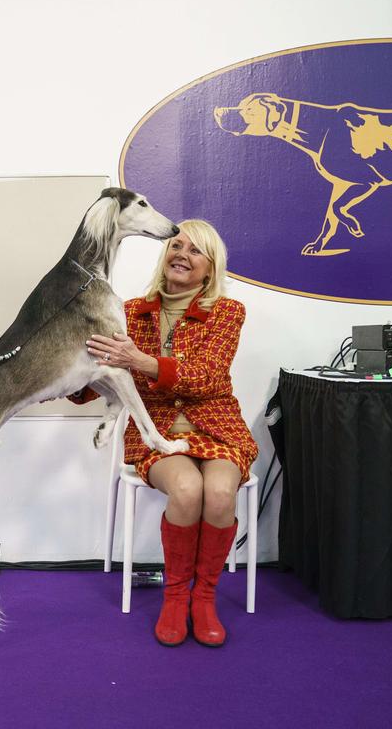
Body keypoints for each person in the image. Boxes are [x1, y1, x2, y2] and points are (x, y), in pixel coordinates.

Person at [76, 219, 257, 648]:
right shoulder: (131, 311)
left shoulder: (228, 311)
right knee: (187, 490)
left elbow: (208, 377)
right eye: (177, 245)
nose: (182, 254)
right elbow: (104, 369)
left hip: (218, 429)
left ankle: (204, 598)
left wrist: (140, 362)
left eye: (196, 250)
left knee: (218, 494)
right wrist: (57, 380)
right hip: (155, 432)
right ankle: (176, 597)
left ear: (210, 268)